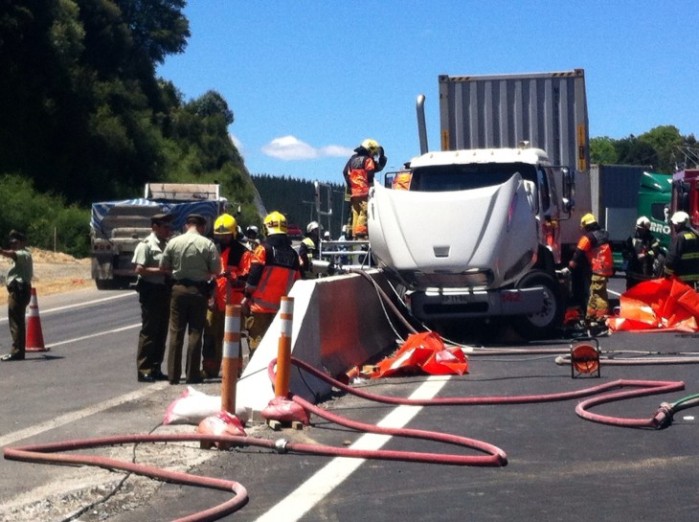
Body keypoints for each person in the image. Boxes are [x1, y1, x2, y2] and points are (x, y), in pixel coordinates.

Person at [160, 213, 221, 385]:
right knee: (195, 333)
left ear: (187, 225)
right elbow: (216, 269)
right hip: (198, 291)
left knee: (176, 332)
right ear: (201, 227)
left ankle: (173, 375)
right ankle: (192, 374)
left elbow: (163, 266)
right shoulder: (207, 244)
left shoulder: (173, 242)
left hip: (178, 290)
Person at [242, 211, 301, 358]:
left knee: (257, 347)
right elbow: (297, 282)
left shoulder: (263, 250)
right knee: (275, 350)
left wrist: (246, 296)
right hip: (281, 310)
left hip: (259, 308)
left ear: (266, 228)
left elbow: (253, 278)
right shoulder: (293, 255)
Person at [202, 213, 252, 378]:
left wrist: (234, 277)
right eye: (219, 236)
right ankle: (209, 369)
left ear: (233, 234)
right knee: (210, 337)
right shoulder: (212, 249)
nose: (222, 239)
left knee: (233, 339)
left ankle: (234, 370)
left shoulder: (242, 252)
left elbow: (248, 276)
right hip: (214, 301)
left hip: (233, 304)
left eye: (225, 236)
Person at [132, 213, 174, 382]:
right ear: (155, 227)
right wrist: (161, 271)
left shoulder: (167, 245)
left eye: (169, 227)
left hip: (164, 289)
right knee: (149, 331)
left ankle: (156, 367)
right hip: (151, 290)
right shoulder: (146, 245)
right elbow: (139, 269)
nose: (168, 230)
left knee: (162, 330)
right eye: (165, 227)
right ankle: (144, 369)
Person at [568, 213, 613, 335]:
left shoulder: (588, 237)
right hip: (605, 268)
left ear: (586, 226)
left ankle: (600, 319)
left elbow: (579, 252)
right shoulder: (603, 234)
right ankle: (591, 317)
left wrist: (572, 264)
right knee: (595, 293)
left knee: (598, 294)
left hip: (598, 268)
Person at [342, 138, 387, 239]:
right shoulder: (368, 160)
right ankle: (360, 233)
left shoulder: (352, 159)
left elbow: (345, 172)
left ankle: (354, 234)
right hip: (364, 191)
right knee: (364, 212)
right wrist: (371, 188)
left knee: (356, 213)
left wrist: (351, 185)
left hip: (354, 192)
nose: (374, 155)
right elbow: (371, 172)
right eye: (374, 153)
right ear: (370, 150)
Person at [0, 230, 33, 362]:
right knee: (18, 321)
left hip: (18, 291)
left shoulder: (23, 254)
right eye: (11, 242)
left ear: (22, 243)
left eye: (15, 242)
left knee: (15, 322)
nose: (13, 244)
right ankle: (19, 350)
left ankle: (17, 351)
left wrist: (2, 251)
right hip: (21, 291)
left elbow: (12, 254)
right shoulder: (23, 255)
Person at [623, 216, 660, 290]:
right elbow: (625, 250)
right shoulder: (632, 238)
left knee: (644, 292)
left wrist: (645, 254)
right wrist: (629, 256)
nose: (637, 230)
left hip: (646, 271)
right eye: (637, 228)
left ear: (646, 229)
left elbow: (655, 251)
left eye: (640, 229)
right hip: (632, 271)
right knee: (631, 291)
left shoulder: (652, 239)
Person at [664, 211, 699, 288]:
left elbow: (672, 258)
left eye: (674, 225)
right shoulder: (695, 236)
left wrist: (666, 275)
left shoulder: (679, 238)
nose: (674, 226)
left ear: (678, 224)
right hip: (694, 281)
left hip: (680, 280)